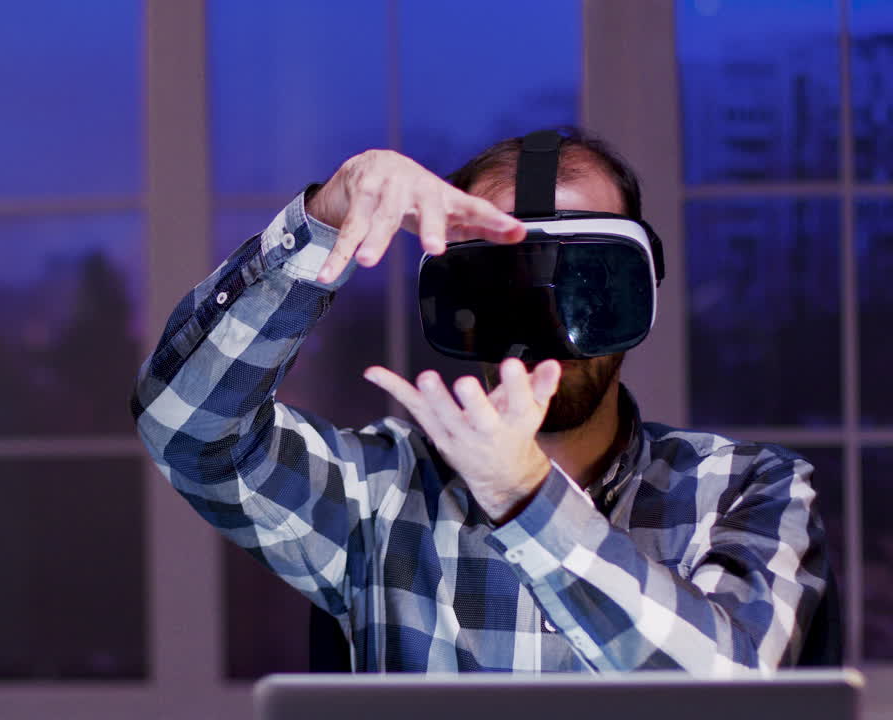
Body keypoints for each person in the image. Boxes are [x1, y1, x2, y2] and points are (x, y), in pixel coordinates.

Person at [131, 128, 828, 673]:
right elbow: (186, 427)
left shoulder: (744, 488)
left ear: (634, 291)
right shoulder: (379, 494)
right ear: (464, 299)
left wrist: (527, 500)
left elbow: (741, 688)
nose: (547, 323)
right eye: (508, 286)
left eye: (585, 283)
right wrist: (318, 225)